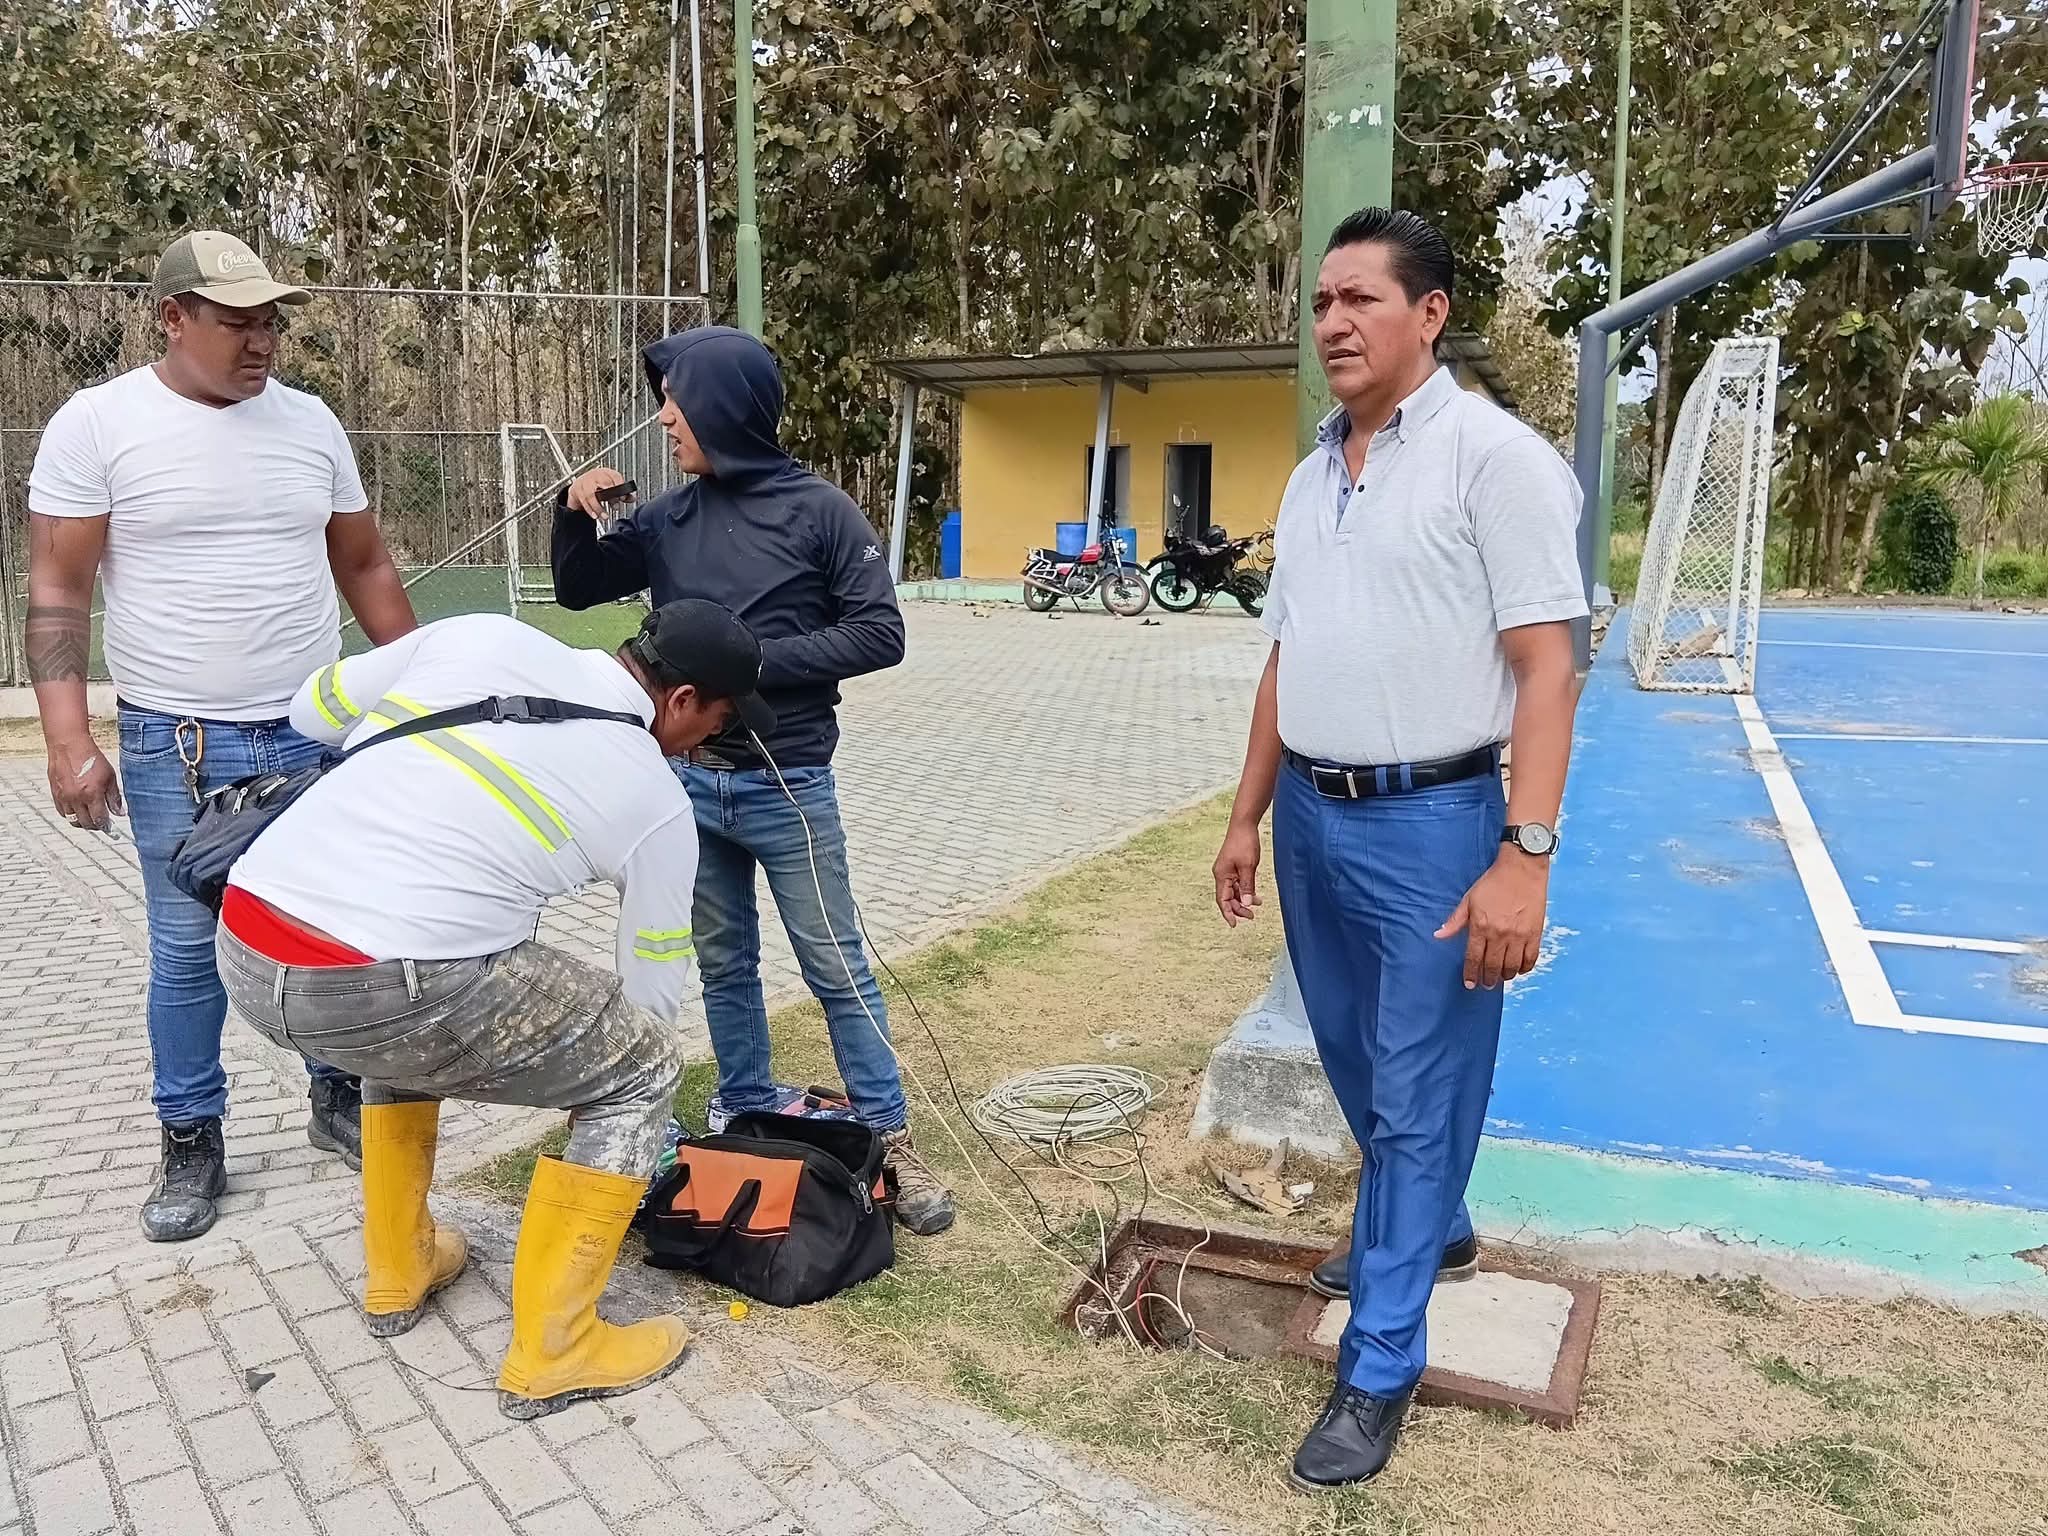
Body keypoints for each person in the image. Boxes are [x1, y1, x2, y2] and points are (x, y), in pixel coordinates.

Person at [1212, 207, 1585, 1491]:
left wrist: (1522, 856)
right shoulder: (1311, 475)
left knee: (1420, 1089)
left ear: (1428, 314)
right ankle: (1435, 1229)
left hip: (1434, 823)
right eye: (1322, 302)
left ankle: (1377, 1366)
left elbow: (1547, 668)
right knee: (1354, 1058)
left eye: (1360, 298)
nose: (1332, 323)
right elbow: (1285, 656)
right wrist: (1246, 813)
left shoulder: (1496, 461)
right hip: (1312, 816)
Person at [215, 600, 771, 1419]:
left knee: (412, 1030)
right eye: (715, 727)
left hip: (248, 944)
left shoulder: (480, 634)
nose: (702, 749)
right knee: (645, 1068)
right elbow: (652, 979)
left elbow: (313, 710)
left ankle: (400, 1266)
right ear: (682, 699)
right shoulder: (655, 799)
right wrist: (621, 1109)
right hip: (385, 984)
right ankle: (557, 1347)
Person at [26, 230, 417, 1243]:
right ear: (173, 317)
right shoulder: (98, 425)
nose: (263, 342)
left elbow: (364, 565)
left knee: (326, 929)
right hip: (176, 744)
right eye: (237, 322)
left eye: (270, 322)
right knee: (186, 952)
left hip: (313, 733)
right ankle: (191, 1139)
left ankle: (337, 1093)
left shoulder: (310, 424)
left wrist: (422, 687)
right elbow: (59, 588)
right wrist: (68, 739)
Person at [551, 325, 956, 1237]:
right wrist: (572, 511)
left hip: (789, 781)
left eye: (677, 403)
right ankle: (743, 1105)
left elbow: (879, 633)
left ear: (725, 408)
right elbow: (577, 588)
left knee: (835, 966)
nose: (664, 420)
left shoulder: (822, 512)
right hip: (690, 785)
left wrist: (744, 665)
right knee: (724, 962)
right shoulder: (667, 519)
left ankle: (889, 1135)